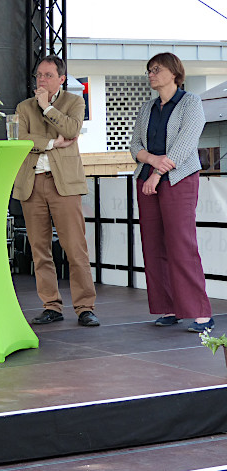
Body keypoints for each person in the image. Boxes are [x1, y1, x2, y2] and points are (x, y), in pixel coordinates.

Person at [13, 55, 99, 327]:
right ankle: (51, 305)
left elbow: (72, 129)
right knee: (40, 250)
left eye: (48, 75)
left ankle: (85, 307)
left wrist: (47, 107)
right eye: (39, 75)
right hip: (33, 183)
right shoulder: (24, 107)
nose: (42, 80)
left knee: (75, 248)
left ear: (61, 79)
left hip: (64, 185)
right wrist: (51, 142)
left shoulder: (74, 102)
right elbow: (20, 137)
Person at [130, 52, 213, 332]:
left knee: (181, 245)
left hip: (178, 179)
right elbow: (134, 146)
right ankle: (168, 309)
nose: (151, 74)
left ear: (175, 73)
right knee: (153, 246)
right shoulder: (147, 107)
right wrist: (152, 162)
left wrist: (157, 173)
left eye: (157, 69)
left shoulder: (190, 102)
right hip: (148, 180)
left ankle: (201, 313)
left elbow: (186, 142)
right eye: (149, 69)